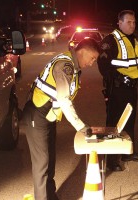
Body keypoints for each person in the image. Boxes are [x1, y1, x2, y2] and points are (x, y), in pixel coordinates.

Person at [22, 38, 100, 200]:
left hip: (47, 114)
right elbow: (64, 100)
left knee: (49, 161)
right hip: (37, 113)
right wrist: (81, 126)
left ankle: (50, 196)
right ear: (83, 51)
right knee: (42, 164)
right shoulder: (65, 66)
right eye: (92, 58)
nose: (92, 63)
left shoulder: (72, 65)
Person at [97, 10, 138, 172]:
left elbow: (135, 64)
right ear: (119, 22)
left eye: (134, 22)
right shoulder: (110, 40)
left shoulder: (134, 40)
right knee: (114, 124)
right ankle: (111, 159)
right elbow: (104, 65)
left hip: (131, 88)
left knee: (130, 122)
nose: (132, 25)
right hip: (117, 89)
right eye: (129, 22)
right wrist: (118, 78)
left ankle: (127, 153)